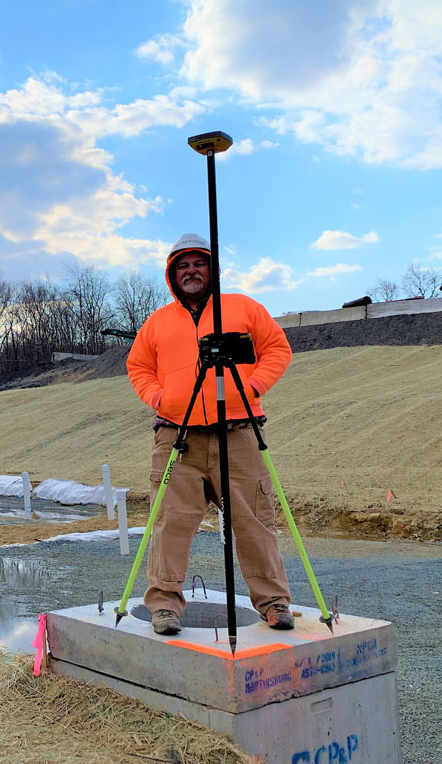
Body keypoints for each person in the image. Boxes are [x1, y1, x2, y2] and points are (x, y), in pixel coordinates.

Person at [126, 232, 295, 635]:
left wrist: (252, 388)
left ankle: (274, 603)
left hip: (237, 432)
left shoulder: (242, 308)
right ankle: (164, 607)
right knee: (169, 522)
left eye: (198, 263)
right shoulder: (158, 321)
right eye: (182, 265)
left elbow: (277, 348)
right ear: (172, 274)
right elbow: (138, 366)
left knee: (255, 519)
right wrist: (160, 397)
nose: (191, 271)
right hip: (176, 433)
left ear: (211, 269)